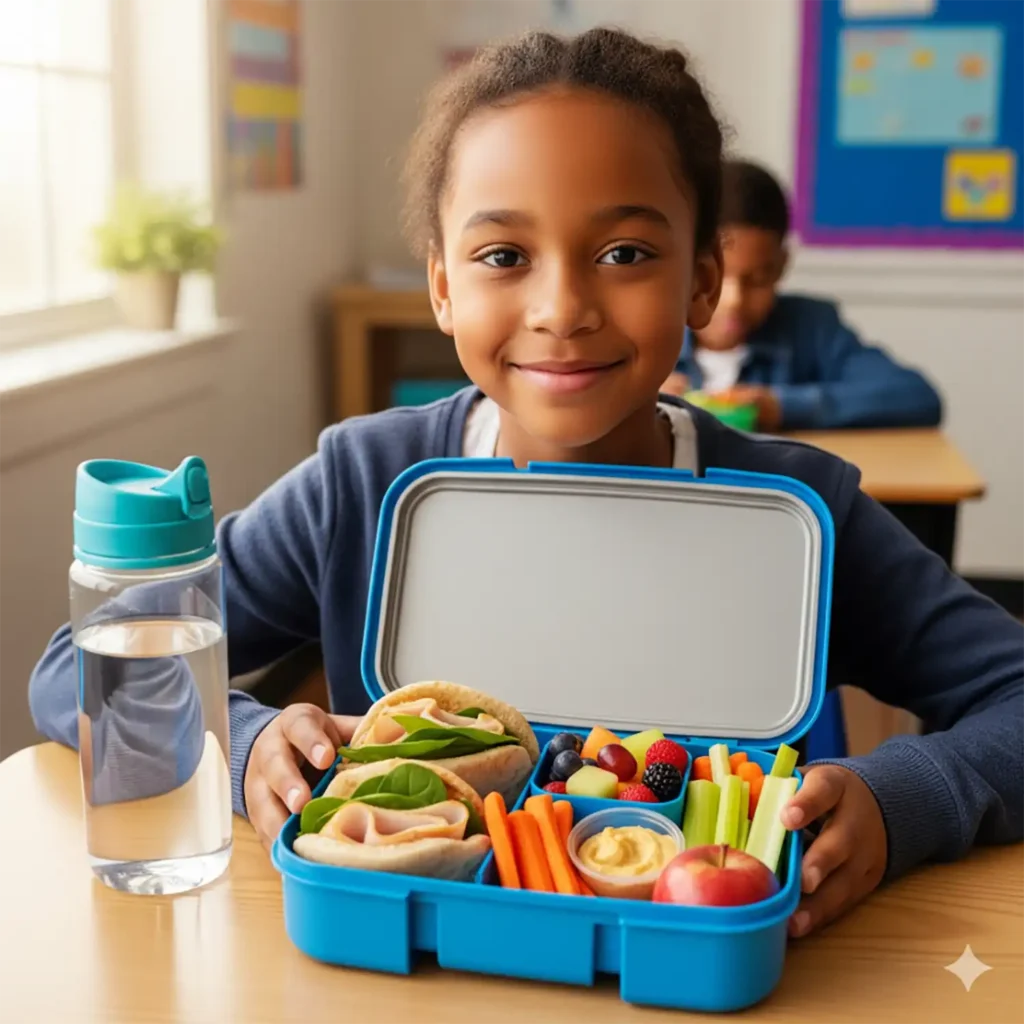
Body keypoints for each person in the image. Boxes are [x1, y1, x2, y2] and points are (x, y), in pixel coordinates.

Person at [29, 28, 1024, 940]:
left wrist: (908, 796)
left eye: (625, 253)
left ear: (702, 283)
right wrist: (246, 741)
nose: (561, 307)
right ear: (442, 286)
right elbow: (83, 663)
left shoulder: (798, 516)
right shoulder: (360, 485)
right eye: (503, 254)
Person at [662, 159, 943, 431]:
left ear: (782, 265)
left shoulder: (811, 327)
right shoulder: (653, 329)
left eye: (758, 280)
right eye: (717, 278)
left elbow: (917, 396)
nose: (734, 300)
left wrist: (781, 406)